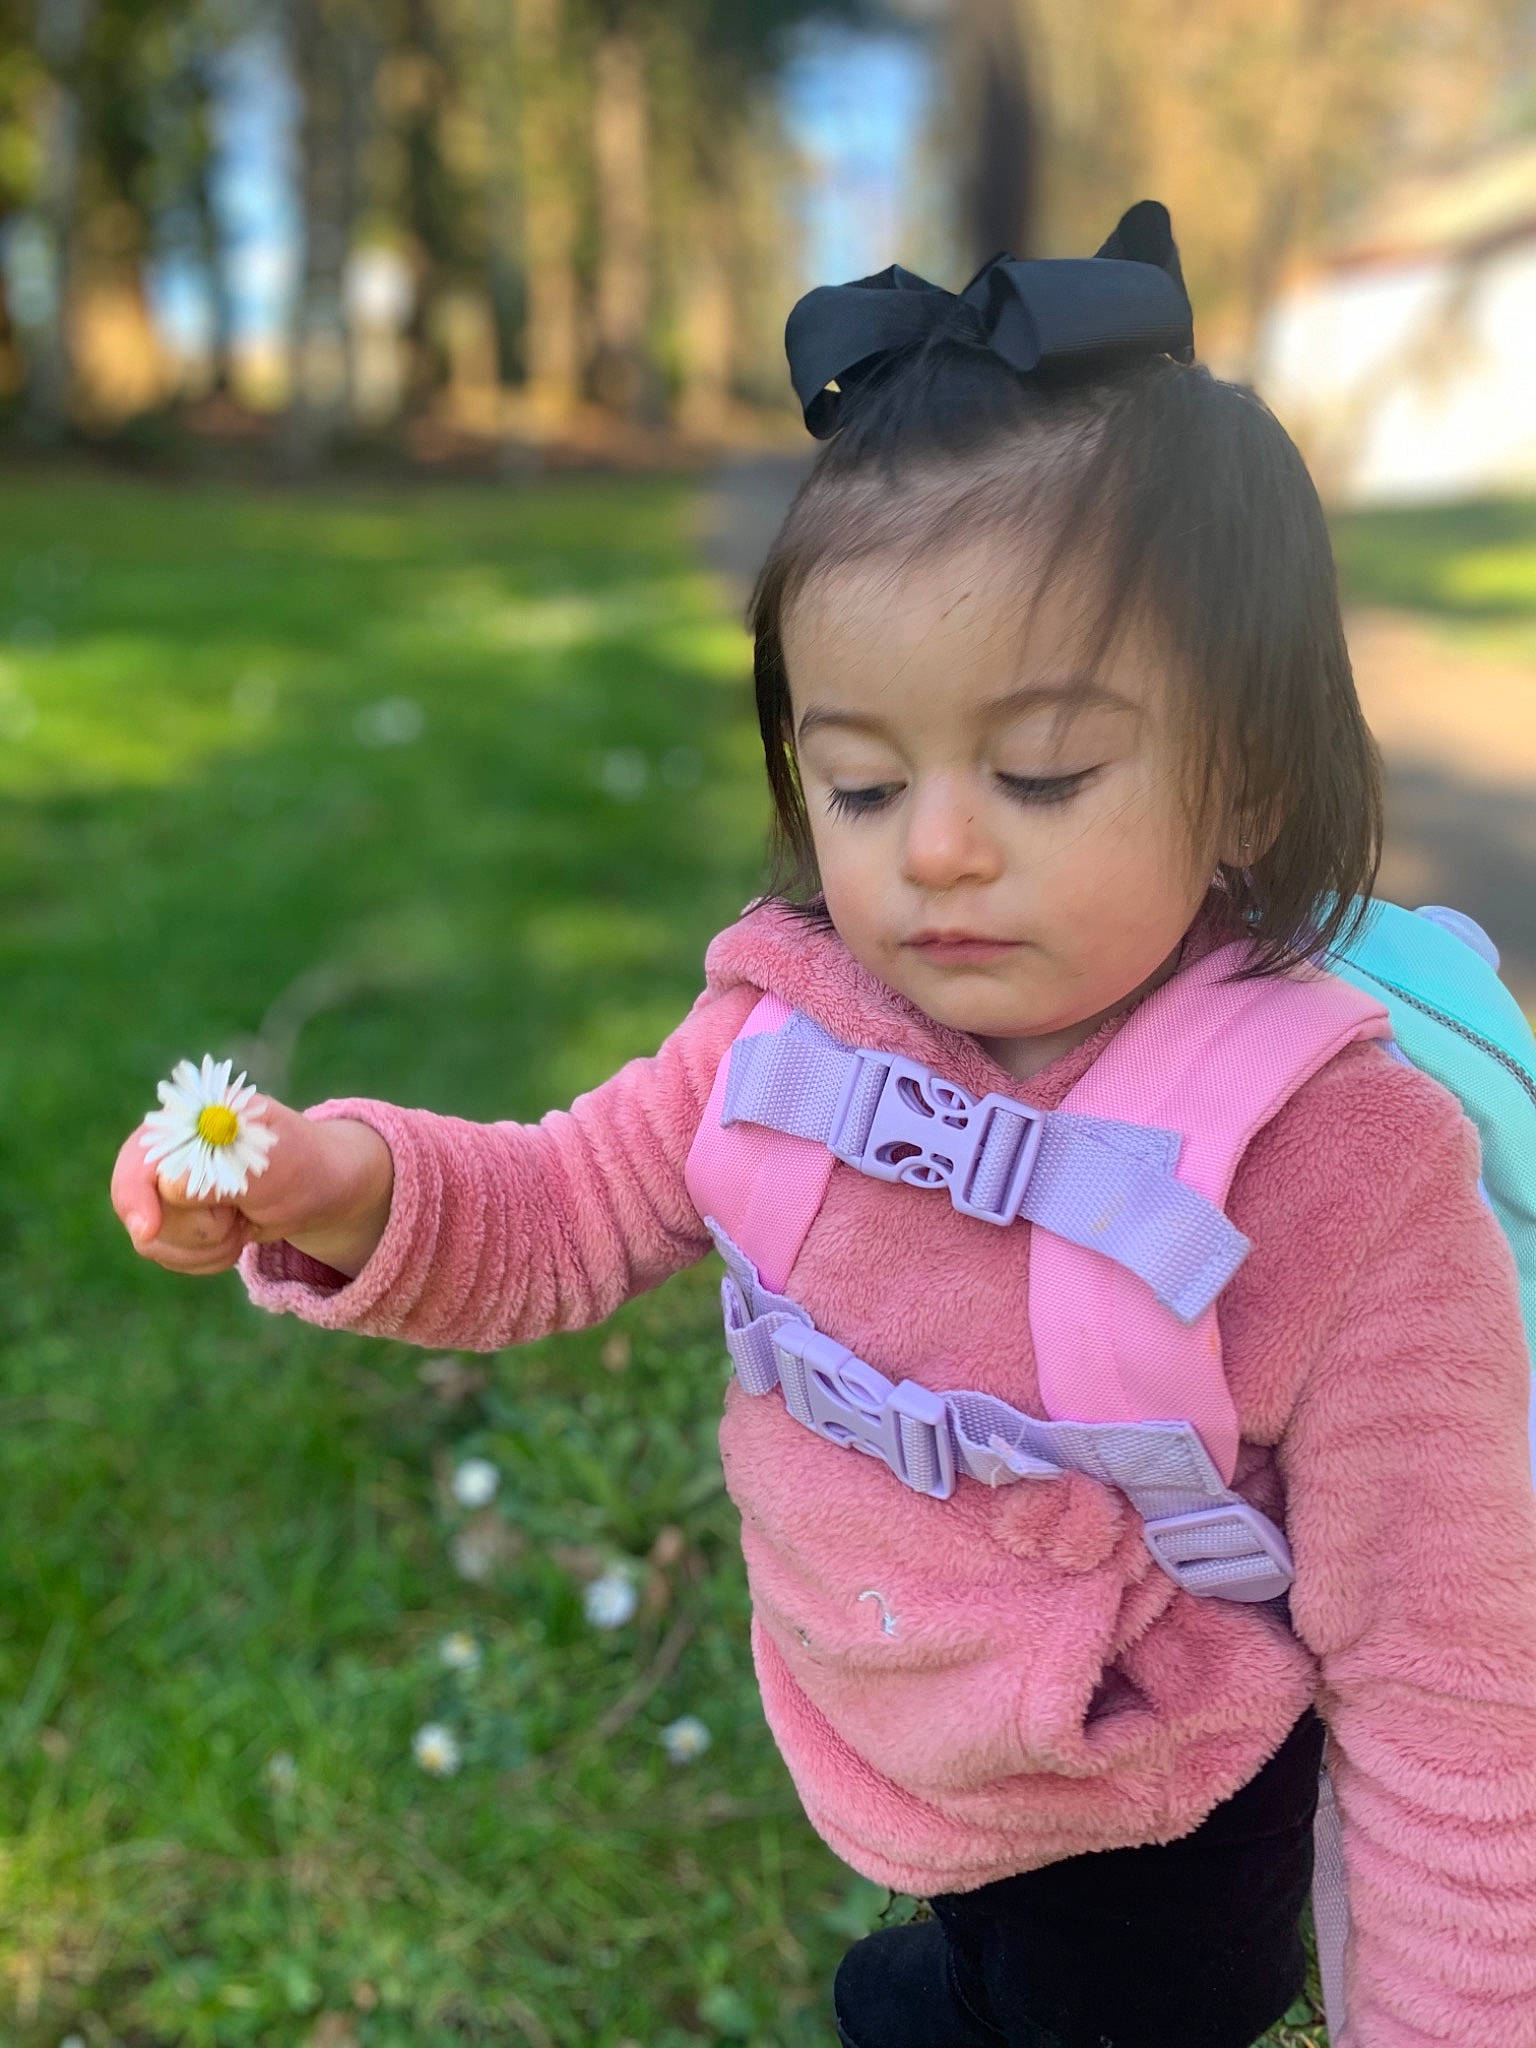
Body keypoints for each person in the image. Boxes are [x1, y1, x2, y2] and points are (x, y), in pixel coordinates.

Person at [110, 204, 1536, 2048]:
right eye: (860, 782)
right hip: (894, 1718)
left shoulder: (1340, 1167)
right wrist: (346, 1183)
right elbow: (564, 1205)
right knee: (951, 1964)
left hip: (1148, 1815)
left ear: (1248, 777)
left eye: (1040, 772)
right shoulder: (788, 1029)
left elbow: (1451, 1677)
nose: (935, 849)